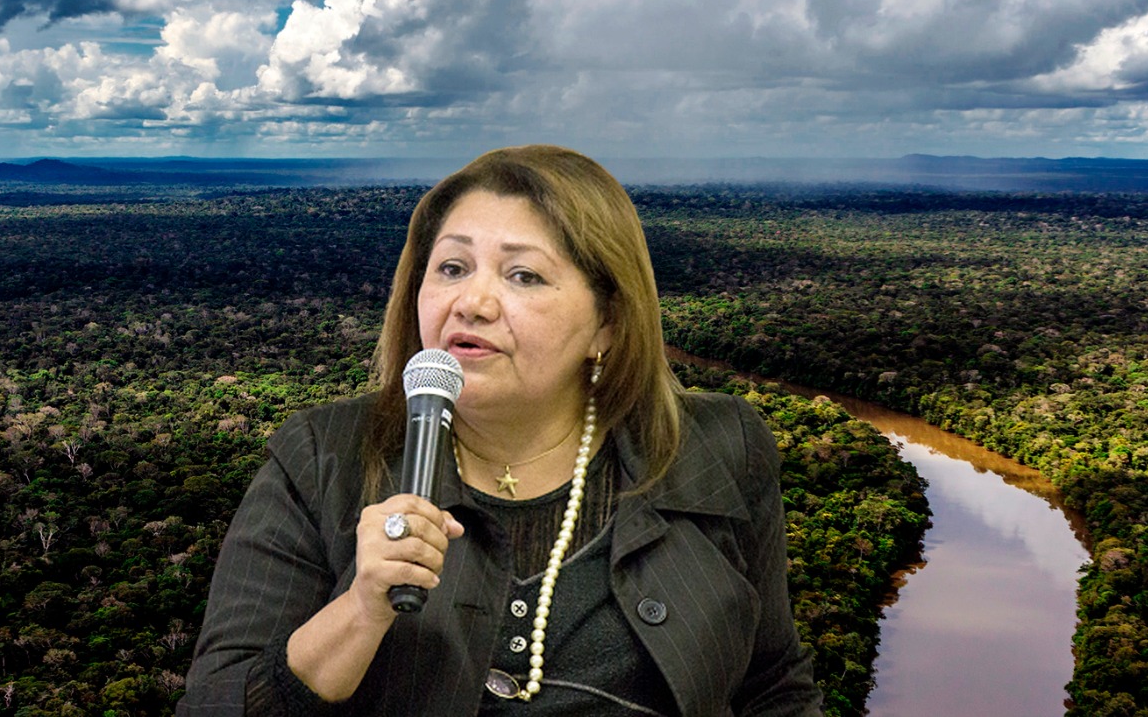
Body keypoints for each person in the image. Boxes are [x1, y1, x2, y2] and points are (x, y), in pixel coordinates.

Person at [177, 145, 822, 716]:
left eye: (523, 276)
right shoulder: (321, 456)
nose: (473, 303)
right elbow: (217, 701)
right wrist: (361, 609)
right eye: (453, 268)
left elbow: (774, 686)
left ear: (608, 324)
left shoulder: (718, 446)